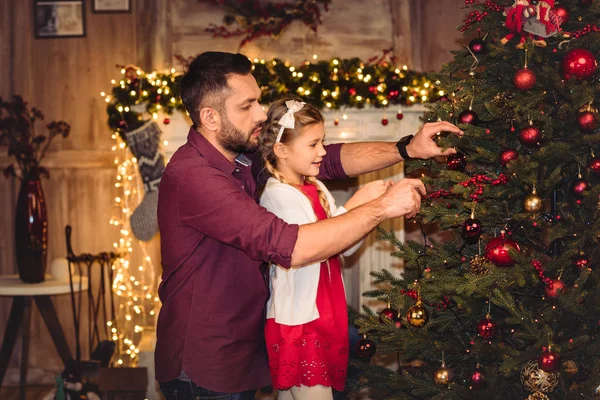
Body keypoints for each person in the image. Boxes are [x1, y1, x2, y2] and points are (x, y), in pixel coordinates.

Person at [155, 51, 463, 400]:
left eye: (258, 101)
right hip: (204, 364)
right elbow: (290, 246)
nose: (260, 114)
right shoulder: (194, 177)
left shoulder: (242, 156)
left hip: (242, 352)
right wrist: (381, 207)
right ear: (210, 117)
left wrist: (407, 148)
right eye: (247, 106)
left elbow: (325, 160)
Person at [258, 97, 392, 399]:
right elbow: (315, 247)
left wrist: (366, 205)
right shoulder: (278, 195)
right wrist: (364, 205)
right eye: (313, 144)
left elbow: (342, 245)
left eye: (323, 142)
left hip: (323, 315)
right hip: (300, 322)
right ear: (281, 150)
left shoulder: (315, 187)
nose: (322, 152)